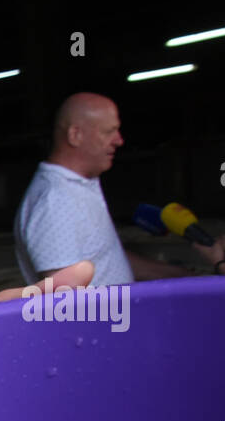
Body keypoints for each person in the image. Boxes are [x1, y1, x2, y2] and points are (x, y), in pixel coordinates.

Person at [14, 92, 195, 287]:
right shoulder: (56, 202)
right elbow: (66, 303)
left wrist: (178, 275)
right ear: (75, 135)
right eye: (109, 131)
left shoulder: (78, 186)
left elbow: (104, 259)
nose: (119, 140)